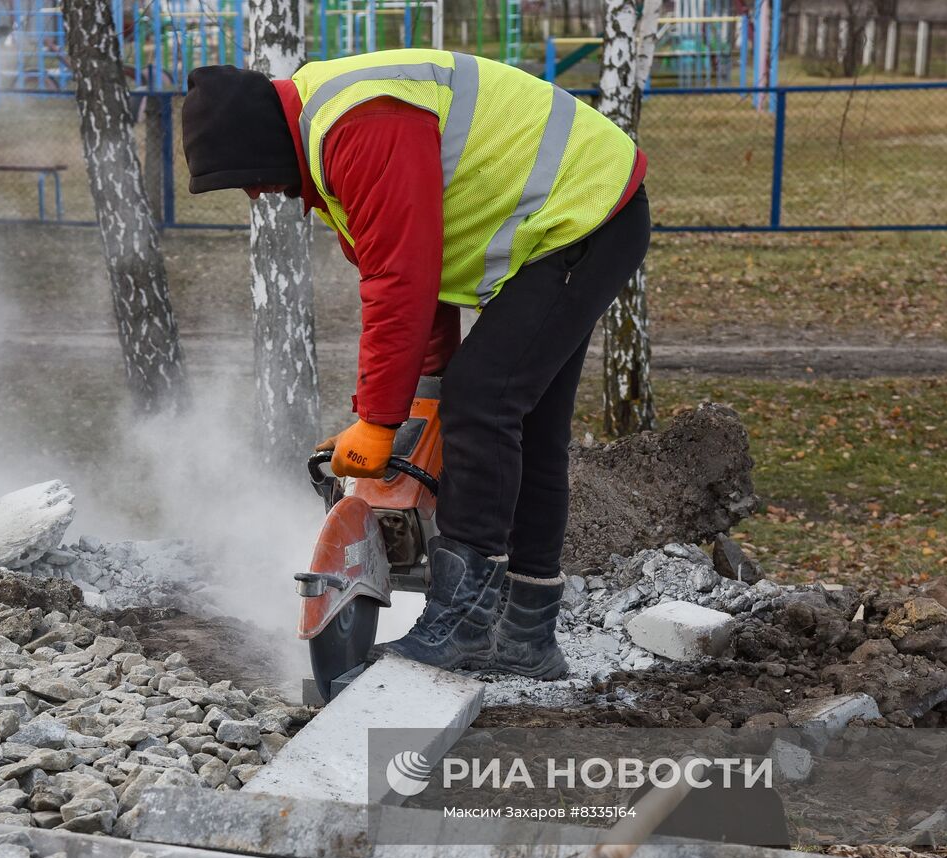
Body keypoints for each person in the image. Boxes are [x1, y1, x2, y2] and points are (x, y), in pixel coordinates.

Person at [181, 49, 650, 680]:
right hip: (582, 219)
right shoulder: (331, 142)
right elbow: (421, 286)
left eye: (248, 177)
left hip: (582, 216)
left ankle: (463, 623)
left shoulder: (359, 126)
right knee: (525, 422)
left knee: (482, 399)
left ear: (264, 141)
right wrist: (407, 407)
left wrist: (377, 424)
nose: (258, 193)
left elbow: (399, 281)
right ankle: (529, 637)